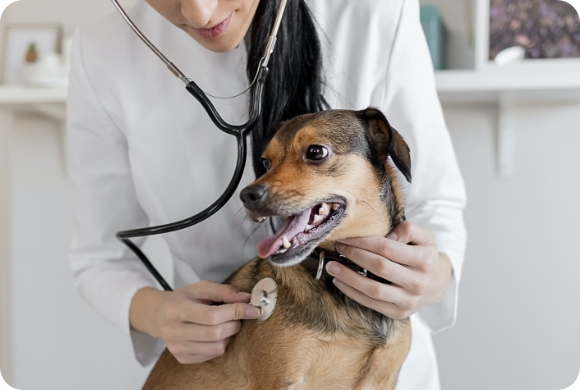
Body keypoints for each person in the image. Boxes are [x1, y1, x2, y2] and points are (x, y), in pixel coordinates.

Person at [67, 0, 467, 388]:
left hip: (380, 351)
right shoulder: (101, 51)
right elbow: (99, 255)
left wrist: (434, 277)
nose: (200, 12)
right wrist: (156, 312)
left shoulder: (374, 10)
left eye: (315, 154)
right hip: (220, 358)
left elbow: (433, 200)